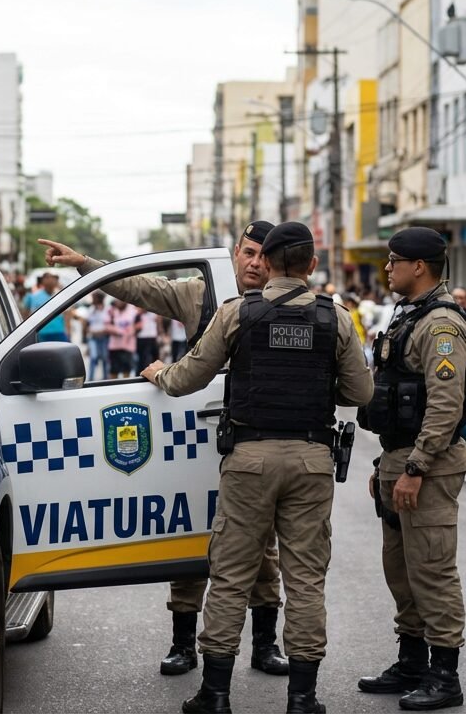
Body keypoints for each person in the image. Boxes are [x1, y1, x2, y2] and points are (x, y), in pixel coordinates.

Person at [41, 222, 296, 678]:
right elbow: (142, 287)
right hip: (197, 437)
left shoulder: (286, 301)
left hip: (255, 440)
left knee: (262, 546)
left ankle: (264, 643)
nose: (255, 263)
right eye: (249, 252)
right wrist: (84, 264)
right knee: (192, 538)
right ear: (235, 252)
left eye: (265, 255)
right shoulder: (200, 294)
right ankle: (184, 644)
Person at [142, 222, 372, 714]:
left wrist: (158, 373)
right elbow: (360, 393)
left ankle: (216, 695)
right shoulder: (337, 320)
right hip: (312, 461)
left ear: (265, 263)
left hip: (248, 461)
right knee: (306, 578)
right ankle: (303, 699)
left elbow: (186, 379)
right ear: (313, 265)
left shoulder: (236, 315)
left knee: (229, 575)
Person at [357, 227, 466, 712]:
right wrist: (385, 463)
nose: (387, 269)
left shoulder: (441, 326)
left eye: (393, 261)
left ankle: (444, 675)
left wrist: (415, 467)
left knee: (432, 568)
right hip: (399, 458)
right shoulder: (410, 317)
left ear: (419, 267)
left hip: (428, 465)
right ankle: (411, 660)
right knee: (400, 568)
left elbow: (446, 406)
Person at [22, 272, 71, 343]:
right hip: (41, 333)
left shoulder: (61, 296)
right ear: (42, 281)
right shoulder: (33, 296)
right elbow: (25, 314)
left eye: (53, 277)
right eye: (47, 277)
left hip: (59, 332)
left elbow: (67, 315)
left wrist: (68, 333)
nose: (50, 280)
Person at [105, 299, 139, 379]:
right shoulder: (111, 310)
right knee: (113, 370)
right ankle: (113, 389)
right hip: (114, 346)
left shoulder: (133, 310)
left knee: (126, 370)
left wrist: (131, 331)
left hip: (128, 347)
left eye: (120, 300)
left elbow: (139, 324)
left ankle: (126, 390)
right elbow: (106, 326)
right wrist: (118, 331)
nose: (118, 302)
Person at [84, 291, 110, 380]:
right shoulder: (91, 309)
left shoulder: (107, 309)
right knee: (93, 358)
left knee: (105, 358)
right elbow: (87, 324)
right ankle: (91, 379)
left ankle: (106, 379)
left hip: (105, 337)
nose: (93, 300)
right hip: (93, 338)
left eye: (94, 297)